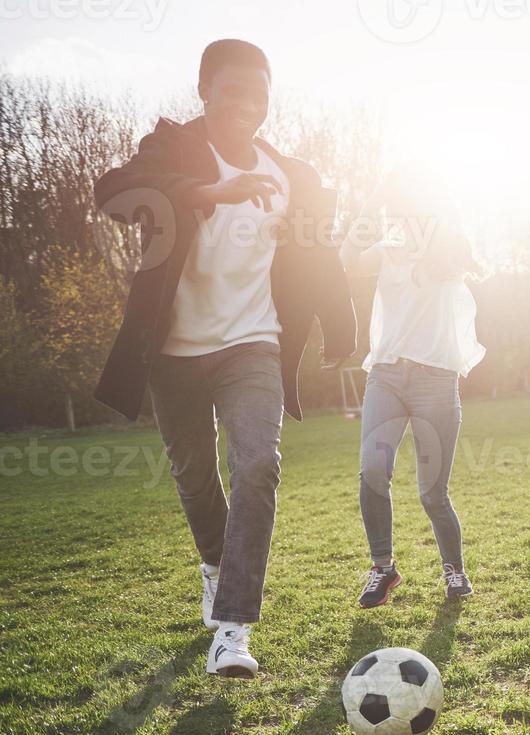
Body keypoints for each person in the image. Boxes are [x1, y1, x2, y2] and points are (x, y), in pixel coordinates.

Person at [92, 39, 357, 679]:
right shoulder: (172, 150)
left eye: (260, 92)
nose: (247, 104)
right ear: (205, 90)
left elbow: (320, 254)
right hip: (173, 352)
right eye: (233, 89)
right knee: (193, 474)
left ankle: (233, 630)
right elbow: (115, 193)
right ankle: (214, 565)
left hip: (253, 343)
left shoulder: (292, 175)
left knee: (259, 463)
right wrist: (210, 191)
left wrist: (342, 328)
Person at [340, 166, 485, 607]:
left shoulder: (448, 251)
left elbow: (457, 232)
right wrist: (373, 199)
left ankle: (454, 570)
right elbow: (345, 260)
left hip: (436, 382)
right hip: (386, 375)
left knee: (431, 492)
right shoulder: (388, 250)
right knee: (371, 471)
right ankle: (383, 568)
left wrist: (432, 195)